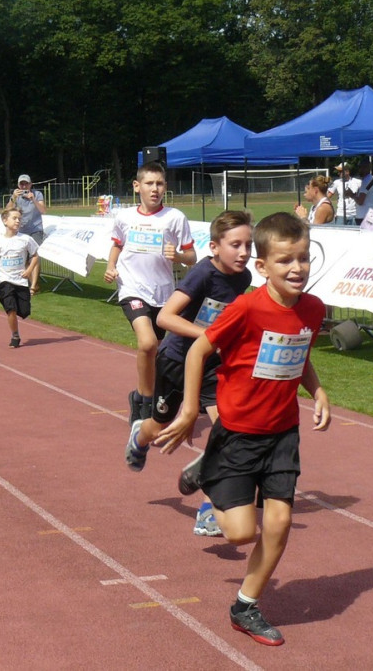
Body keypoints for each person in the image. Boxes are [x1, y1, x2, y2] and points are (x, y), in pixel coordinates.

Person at [156, 212, 330, 647]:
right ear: (263, 266)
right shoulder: (247, 308)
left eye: (304, 259)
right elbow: (197, 352)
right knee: (239, 532)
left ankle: (245, 606)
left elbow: (299, 352)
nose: (297, 268)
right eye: (286, 260)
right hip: (236, 432)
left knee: (280, 521)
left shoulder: (313, 308)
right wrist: (190, 408)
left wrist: (319, 390)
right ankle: (209, 468)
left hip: (282, 432)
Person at [124, 210, 254, 538]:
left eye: (248, 245)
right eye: (235, 245)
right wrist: (208, 337)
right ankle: (140, 435)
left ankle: (209, 509)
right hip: (175, 360)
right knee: (159, 426)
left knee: (230, 426)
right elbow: (166, 317)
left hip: (210, 364)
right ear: (214, 247)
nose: (244, 252)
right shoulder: (201, 275)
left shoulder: (244, 278)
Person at [104, 160, 196, 423]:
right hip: (132, 289)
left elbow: (192, 256)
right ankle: (145, 403)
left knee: (157, 352)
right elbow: (117, 246)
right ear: (137, 186)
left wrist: (178, 255)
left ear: (165, 187)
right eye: (149, 183)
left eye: (159, 184)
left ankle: (143, 396)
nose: (154, 189)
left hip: (164, 295)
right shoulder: (124, 218)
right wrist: (111, 267)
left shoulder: (175, 218)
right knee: (147, 343)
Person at [0, 208, 40, 347]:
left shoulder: (25, 239)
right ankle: (15, 335)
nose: (18, 221)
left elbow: (35, 256)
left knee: (24, 311)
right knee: (11, 308)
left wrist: (29, 271)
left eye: (19, 218)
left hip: (20, 280)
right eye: (14, 218)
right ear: (5, 221)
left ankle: (18, 316)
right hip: (3, 280)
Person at [7, 174, 46, 244]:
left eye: (26, 184)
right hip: (20, 230)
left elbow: (43, 211)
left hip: (35, 230)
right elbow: (7, 212)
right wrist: (13, 198)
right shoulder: (16, 196)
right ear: (18, 185)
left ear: (31, 184)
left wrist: (33, 199)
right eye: (22, 184)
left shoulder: (37, 194)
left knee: (34, 250)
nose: (24, 186)